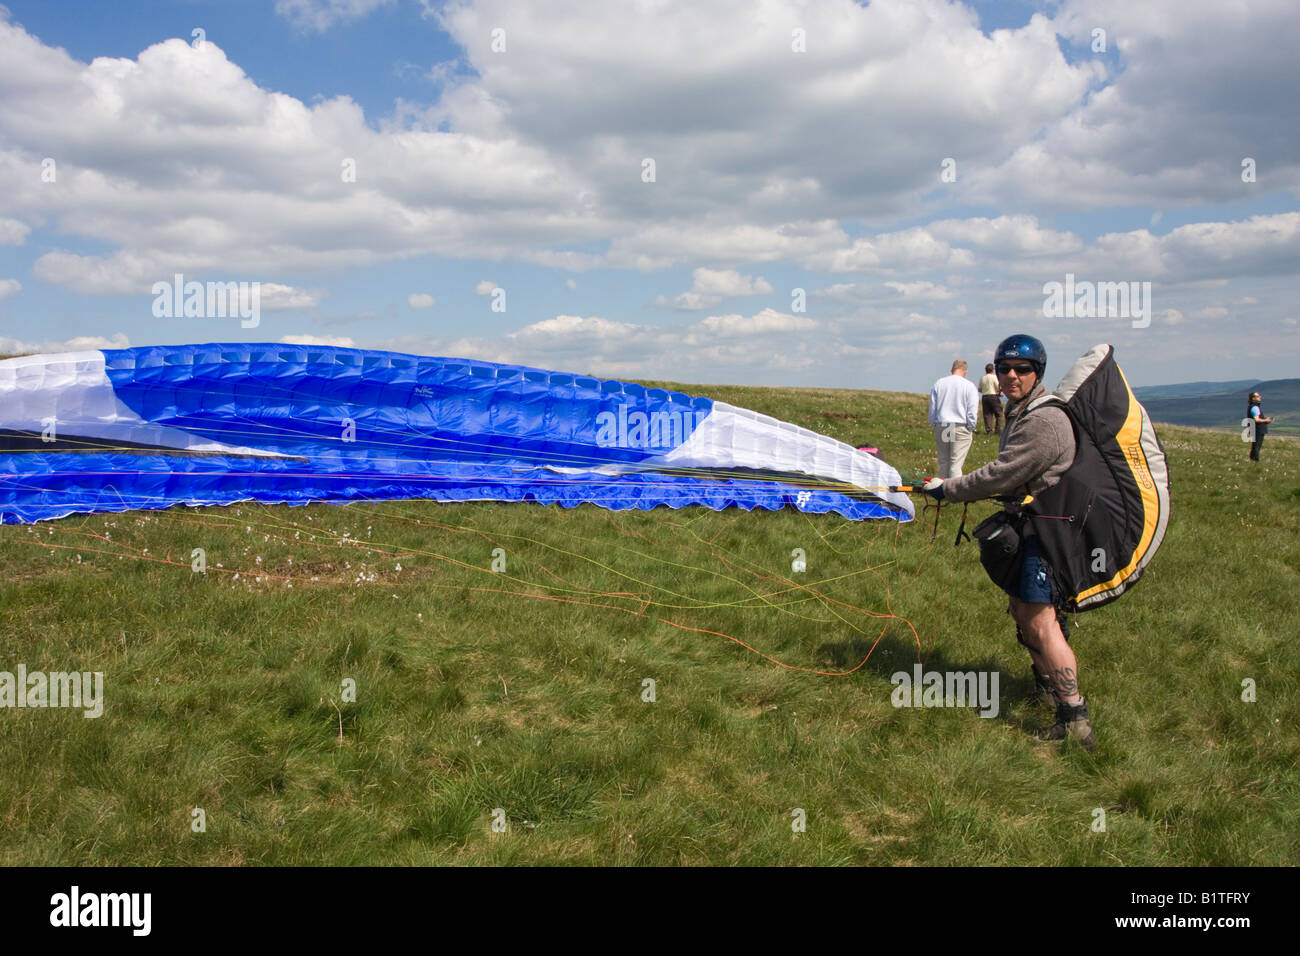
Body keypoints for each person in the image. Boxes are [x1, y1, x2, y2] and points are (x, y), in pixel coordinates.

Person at [922, 334, 1096, 750]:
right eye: (1004, 369)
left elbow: (1001, 474)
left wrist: (948, 489)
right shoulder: (1022, 412)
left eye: (1023, 369)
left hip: (1050, 530)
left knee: (1039, 619)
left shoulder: (1043, 419)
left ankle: (1075, 719)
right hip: (1034, 522)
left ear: (1039, 373)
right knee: (1024, 609)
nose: (1012, 376)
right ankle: (1049, 687)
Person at [928, 359, 980, 478]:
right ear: (965, 371)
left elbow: (933, 408)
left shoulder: (939, 383)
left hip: (943, 424)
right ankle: (953, 492)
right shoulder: (969, 386)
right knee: (955, 464)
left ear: (952, 370)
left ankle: (942, 490)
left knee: (944, 462)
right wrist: (970, 427)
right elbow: (972, 410)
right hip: (959, 426)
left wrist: (934, 423)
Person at [1246, 391, 1273, 462]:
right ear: (1253, 398)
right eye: (1258, 396)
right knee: (1257, 446)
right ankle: (1255, 461)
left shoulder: (1252, 406)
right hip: (1258, 429)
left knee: (1255, 446)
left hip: (1254, 429)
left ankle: (1252, 460)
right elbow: (1257, 419)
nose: (1260, 397)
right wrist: (1266, 420)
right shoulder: (1255, 407)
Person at [978, 362, 1003, 435]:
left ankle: (989, 431)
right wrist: (999, 392)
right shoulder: (994, 377)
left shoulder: (982, 378)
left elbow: (979, 389)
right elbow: (998, 386)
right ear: (993, 370)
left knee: (987, 414)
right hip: (993, 396)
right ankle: (998, 430)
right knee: (999, 413)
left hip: (985, 397)